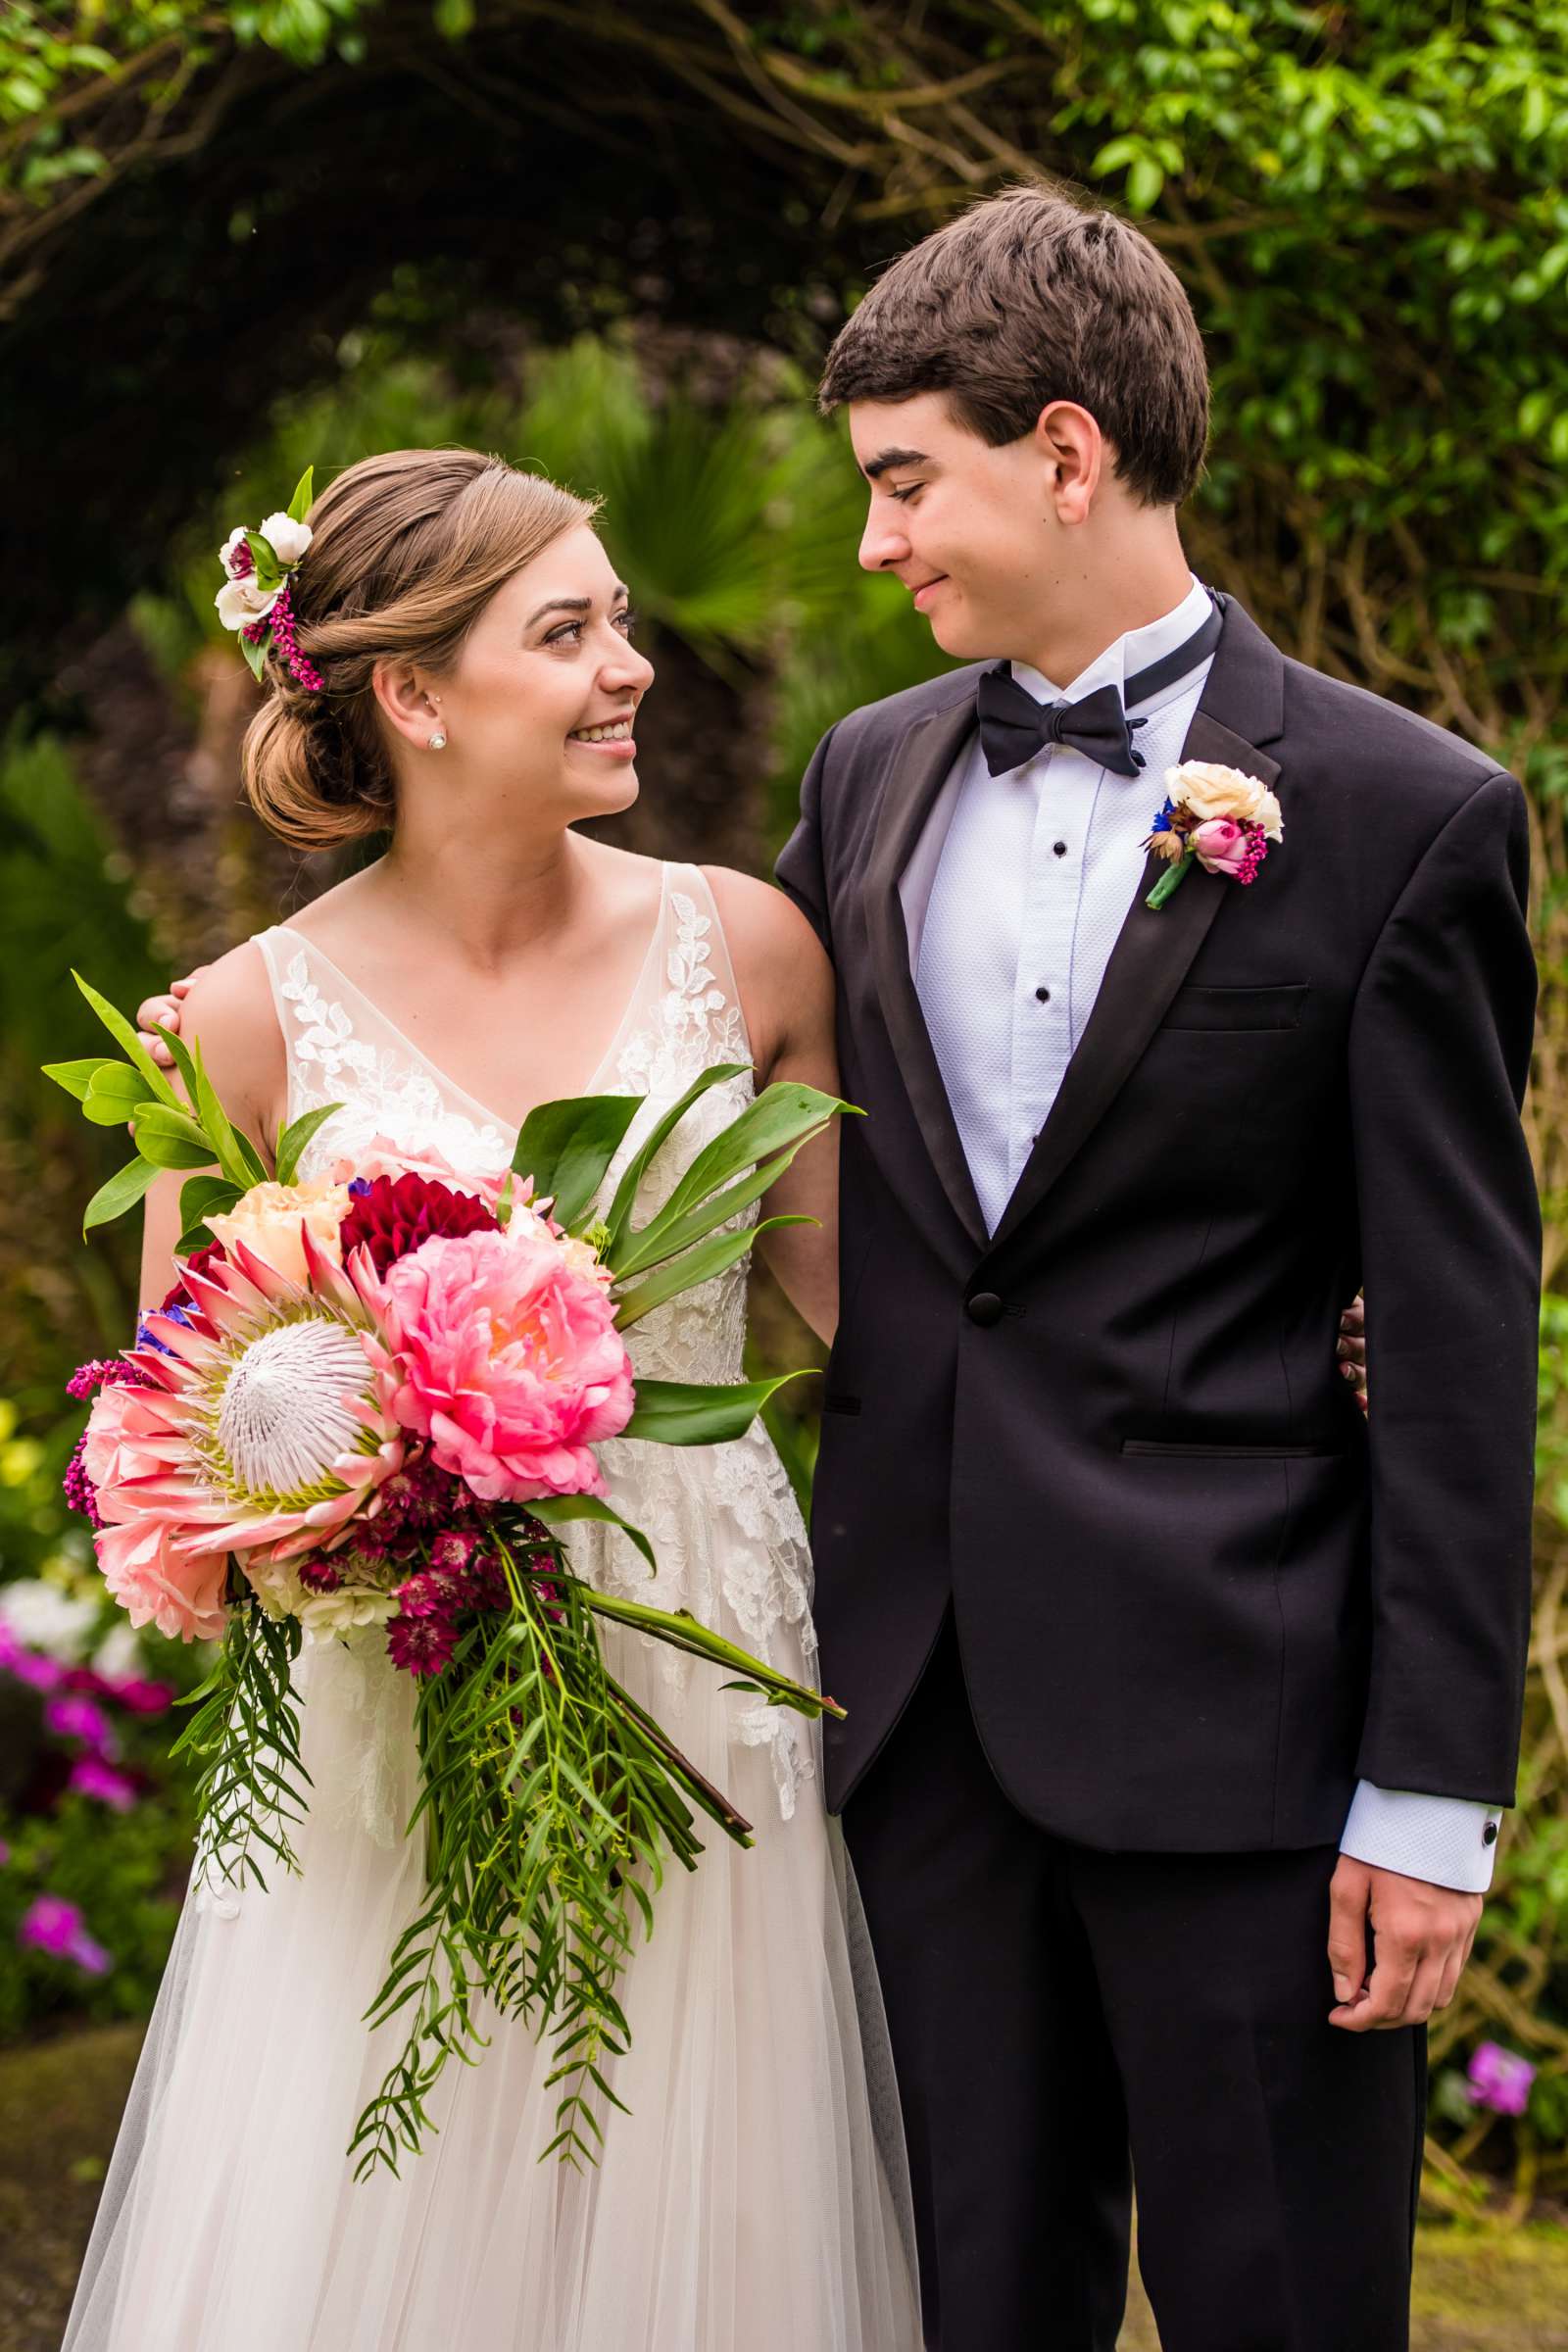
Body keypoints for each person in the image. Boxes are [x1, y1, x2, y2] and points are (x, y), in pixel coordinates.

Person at [766, 187, 1540, 2351]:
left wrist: (1424, 1799)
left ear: (1067, 449)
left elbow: (1463, 1350)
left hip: (1253, 1750)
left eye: (901, 480)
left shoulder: (1406, 815)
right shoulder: (862, 779)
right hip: (916, 1723)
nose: (872, 544)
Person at [67, 447, 921, 2352]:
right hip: (397, 1729)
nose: (627, 664)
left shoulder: (751, 949)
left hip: (707, 1696)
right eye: (569, 631)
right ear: (415, 694)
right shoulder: (232, 1027)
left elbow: (895, 1343)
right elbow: (179, 1456)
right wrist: (354, 1524)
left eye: (616, 617)